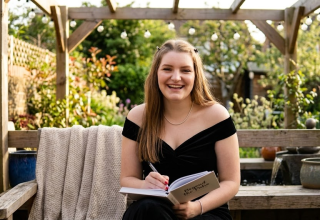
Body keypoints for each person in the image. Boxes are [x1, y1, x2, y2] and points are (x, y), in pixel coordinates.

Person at [120, 39, 240, 220]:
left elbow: (231, 181)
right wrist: (145, 185)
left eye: (185, 70)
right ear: (156, 74)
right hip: (155, 211)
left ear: (195, 75)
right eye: (167, 69)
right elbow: (127, 179)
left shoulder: (217, 115)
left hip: (205, 210)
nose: (176, 77)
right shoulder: (137, 117)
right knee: (148, 209)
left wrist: (197, 207)